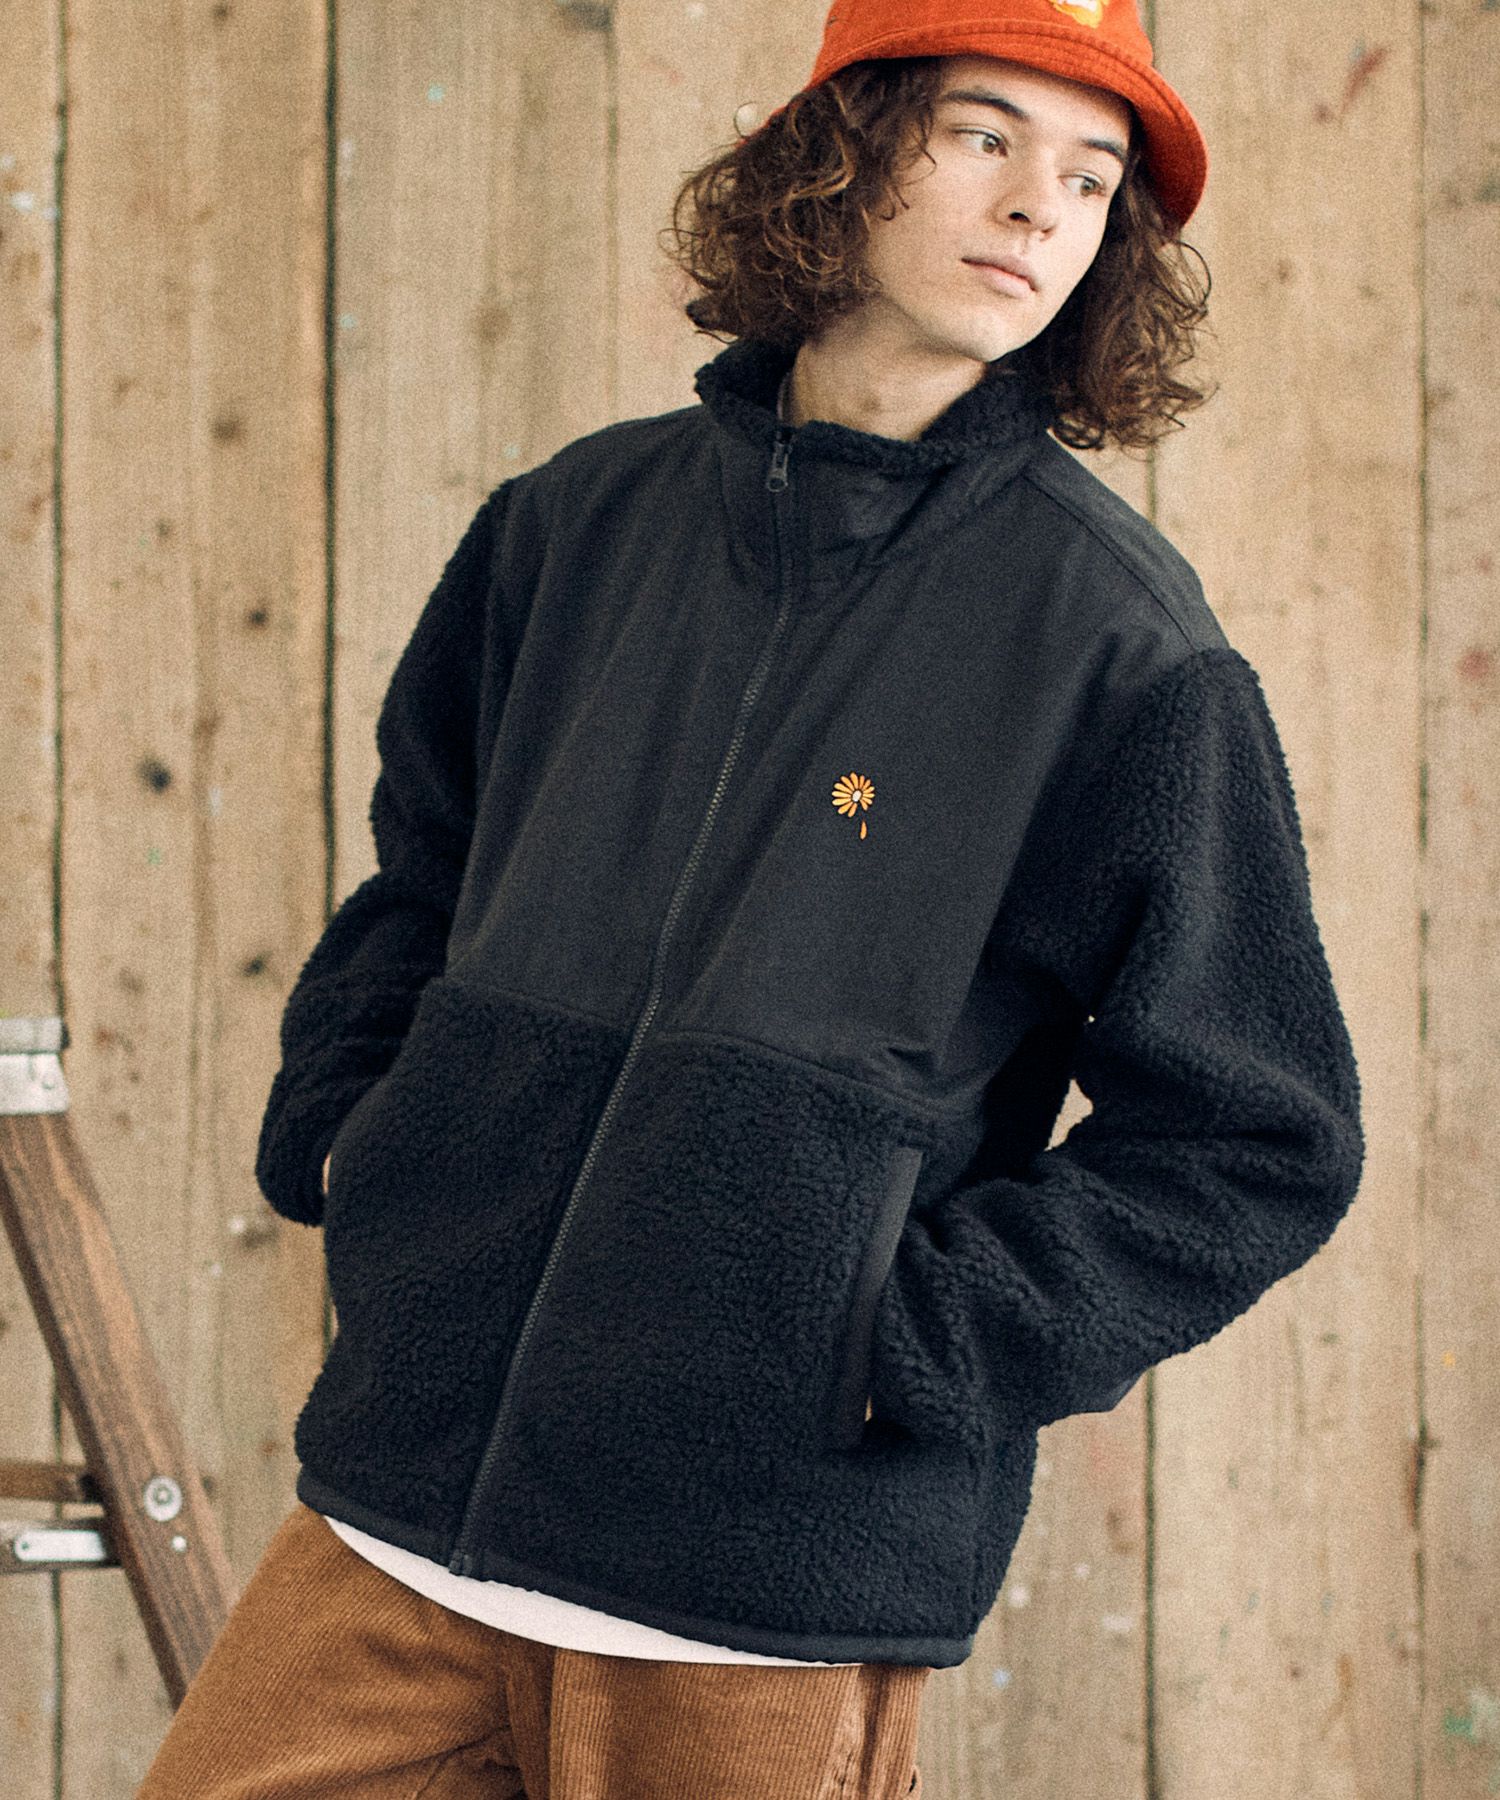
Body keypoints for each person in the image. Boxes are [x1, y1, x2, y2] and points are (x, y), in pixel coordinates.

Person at [139, 0, 1365, 1794]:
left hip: (748, 1602)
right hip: (396, 1527)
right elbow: (426, 879)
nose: (1040, 204)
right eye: (985, 134)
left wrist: (895, 1343)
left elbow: (1259, 1136)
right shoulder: (574, 527)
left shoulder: (1120, 649)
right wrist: (355, 1135)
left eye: (1093, 175)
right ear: (842, 149)